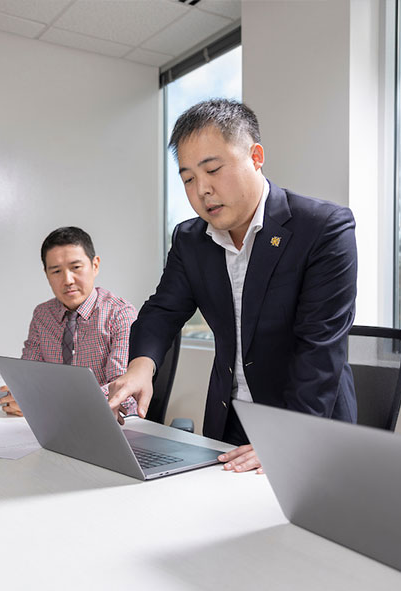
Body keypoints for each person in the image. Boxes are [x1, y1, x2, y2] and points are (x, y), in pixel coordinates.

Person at [108, 99, 358, 472]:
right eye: (188, 179)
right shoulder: (190, 239)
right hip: (229, 423)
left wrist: (285, 437)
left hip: (307, 425)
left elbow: (318, 350)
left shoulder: (323, 229)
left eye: (213, 169)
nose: (202, 190)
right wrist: (141, 367)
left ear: (255, 156)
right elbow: (163, 310)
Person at [0, 227, 138, 417]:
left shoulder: (120, 315)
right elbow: (28, 380)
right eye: (56, 271)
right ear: (46, 275)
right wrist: (20, 397)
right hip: (52, 425)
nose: (67, 280)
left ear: (95, 265)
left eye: (76, 267)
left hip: (106, 426)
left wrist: (45, 401)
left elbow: (121, 392)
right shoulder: (43, 315)